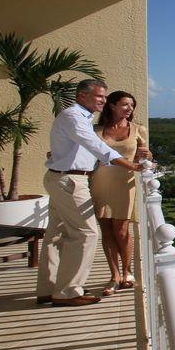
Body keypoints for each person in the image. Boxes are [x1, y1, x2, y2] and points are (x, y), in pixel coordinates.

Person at [35, 80, 142, 307]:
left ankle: (47, 288)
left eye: (104, 97)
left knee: (55, 234)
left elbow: (79, 147)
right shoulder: (74, 117)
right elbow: (98, 147)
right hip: (70, 180)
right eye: (99, 97)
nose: (103, 101)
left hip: (62, 177)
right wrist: (132, 166)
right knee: (87, 233)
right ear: (82, 96)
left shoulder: (81, 118)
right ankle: (67, 292)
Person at [91, 90, 151, 295]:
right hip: (100, 181)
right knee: (106, 230)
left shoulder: (137, 130)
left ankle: (127, 272)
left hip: (125, 182)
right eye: (125, 104)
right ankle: (114, 275)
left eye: (132, 106)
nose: (130, 109)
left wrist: (147, 155)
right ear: (112, 105)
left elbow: (145, 157)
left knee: (122, 230)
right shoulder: (96, 130)